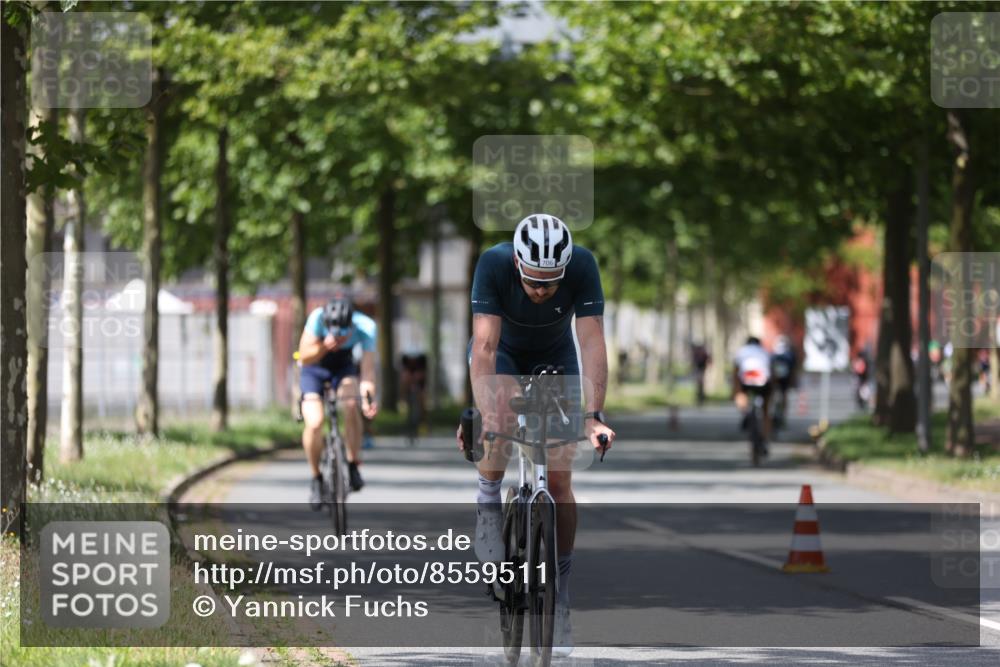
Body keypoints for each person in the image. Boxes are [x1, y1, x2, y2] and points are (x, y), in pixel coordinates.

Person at [458, 213, 616, 656]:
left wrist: (593, 414)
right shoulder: (492, 263)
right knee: (503, 414)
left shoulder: (584, 266)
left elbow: (591, 342)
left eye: (551, 282)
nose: (542, 290)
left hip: (556, 354)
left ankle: (559, 599)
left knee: (562, 477)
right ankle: (488, 502)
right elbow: (485, 347)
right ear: (517, 265)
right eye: (533, 281)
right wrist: (485, 414)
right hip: (503, 352)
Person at [298, 296, 378, 508]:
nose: (339, 336)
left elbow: (368, 371)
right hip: (313, 368)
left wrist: (367, 398)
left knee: (351, 404)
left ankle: (352, 464)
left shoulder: (366, 326)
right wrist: (324, 346)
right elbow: (303, 357)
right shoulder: (316, 318)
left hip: (344, 368)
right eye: (334, 329)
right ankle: (316, 479)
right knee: (314, 422)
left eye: (344, 331)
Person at [732, 335, 773, 449]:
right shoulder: (765, 352)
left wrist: (736, 391)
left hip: (746, 379)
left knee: (741, 394)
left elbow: (735, 372)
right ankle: (765, 439)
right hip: (763, 380)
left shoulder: (741, 351)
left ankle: (746, 414)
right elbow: (771, 371)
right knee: (765, 410)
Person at [770, 335, 797, 428]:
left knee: (773, 394)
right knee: (784, 394)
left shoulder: (773, 354)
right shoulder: (789, 354)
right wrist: (793, 381)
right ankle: (783, 416)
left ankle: (772, 412)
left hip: (775, 377)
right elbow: (793, 369)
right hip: (785, 378)